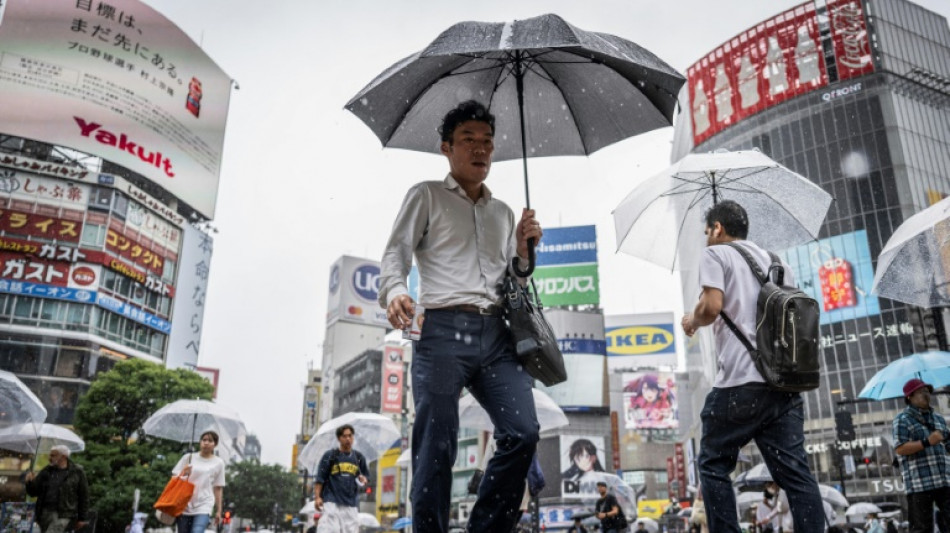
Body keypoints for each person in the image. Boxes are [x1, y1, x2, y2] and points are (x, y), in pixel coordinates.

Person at [379, 100, 543, 533]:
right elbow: (395, 252)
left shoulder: (504, 212)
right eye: (468, 141)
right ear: (446, 149)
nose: (480, 150)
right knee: (436, 445)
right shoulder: (426, 195)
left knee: (523, 431)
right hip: (441, 331)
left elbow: (516, 282)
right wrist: (396, 289)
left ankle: (486, 529)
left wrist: (525, 252)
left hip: (495, 334)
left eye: (487, 142)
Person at [680, 200, 824, 533]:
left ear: (718, 228)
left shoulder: (715, 254)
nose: (706, 239)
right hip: (784, 386)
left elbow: (713, 306)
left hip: (740, 383)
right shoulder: (779, 263)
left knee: (713, 463)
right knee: (796, 476)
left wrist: (692, 320)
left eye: (707, 231)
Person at [893, 378, 950, 533]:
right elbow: (900, 448)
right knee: (921, 528)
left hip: (945, 479)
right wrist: (926, 442)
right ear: (909, 397)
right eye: (921, 392)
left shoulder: (938, 418)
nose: (926, 395)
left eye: (927, 391)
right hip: (919, 483)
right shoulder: (902, 420)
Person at [313, 424, 370, 533]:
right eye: (344, 436)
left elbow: (366, 477)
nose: (348, 439)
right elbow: (320, 479)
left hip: (350, 502)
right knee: (332, 530)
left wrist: (364, 479)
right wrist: (317, 497)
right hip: (332, 501)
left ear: (353, 437)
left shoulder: (358, 457)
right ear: (339, 438)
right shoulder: (330, 455)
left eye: (350, 436)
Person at [24, 445, 89, 533]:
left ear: (63, 456)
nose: (49, 458)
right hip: (45, 513)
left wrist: (82, 518)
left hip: (64, 514)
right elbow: (33, 492)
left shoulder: (77, 472)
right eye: (50, 455)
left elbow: (83, 495)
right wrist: (29, 482)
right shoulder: (46, 471)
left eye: (53, 455)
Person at [171, 430, 226, 533]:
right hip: (184, 504)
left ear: (215, 444)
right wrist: (184, 473)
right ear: (200, 442)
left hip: (204, 504)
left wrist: (219, 511)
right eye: (204, 440)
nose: (206, 443)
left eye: (210, 440)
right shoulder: (188, 458)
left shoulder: (219, 463)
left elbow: (218, 487)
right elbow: (174, 478)